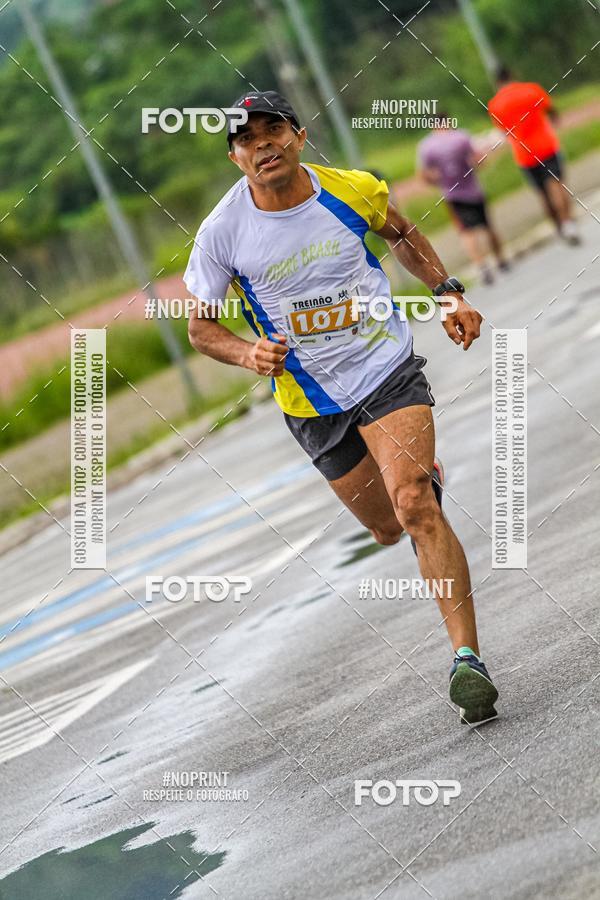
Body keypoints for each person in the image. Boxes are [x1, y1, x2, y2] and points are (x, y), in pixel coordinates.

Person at [184, 90, 499, 726]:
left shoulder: (349, 189)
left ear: (299, 135)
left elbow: (403, 232)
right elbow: (200, 329)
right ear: (235, 157)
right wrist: (247, 355)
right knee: (387, 527)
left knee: (414, 505)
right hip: (311, 399)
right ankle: (417, 485)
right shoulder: (222, 233)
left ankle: (467, 660)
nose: (262, 144)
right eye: (246, 139)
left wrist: (446, 293)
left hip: (385, 370)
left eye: (273, 130)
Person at [488, 66, 580, 244]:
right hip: (546, 145)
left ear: (497, 82)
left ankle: (558, 226)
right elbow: (552, 112)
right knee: (557, 186)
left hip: (524, 154)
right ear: (513, 75)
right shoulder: (531, 89)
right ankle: (568, 222)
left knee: (543, 193)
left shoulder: (494, 105)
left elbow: (504, 131)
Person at [418, 115, 508, 284]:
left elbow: (425, 176)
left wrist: (439, 179)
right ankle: (501, 260)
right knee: (487, 226)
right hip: (474, 190)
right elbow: (480, 160)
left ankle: (482, 266)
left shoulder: (426, 146)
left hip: (452, 195)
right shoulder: (462, 137)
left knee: (467, 232)